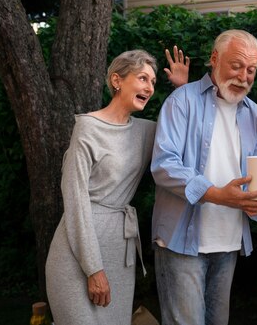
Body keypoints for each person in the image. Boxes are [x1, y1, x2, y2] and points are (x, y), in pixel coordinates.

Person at [45, 48, 189, 325]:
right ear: (117, 80)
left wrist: (182, 90)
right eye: (143, 78)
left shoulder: (146, 131)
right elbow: (75, 202)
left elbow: (183, 132)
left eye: (153, 82)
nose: (149, 87)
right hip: (78, 252)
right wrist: (93, 269)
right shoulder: (87, 128)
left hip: (120, 251)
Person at [150, 29, 257, 325]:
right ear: (215, 59)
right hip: (181, 241)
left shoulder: (255, 114)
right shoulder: (182, 101)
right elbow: (164, 165)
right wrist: (217, 195)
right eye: (236, 65)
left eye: (251, 70)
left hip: (228, 241)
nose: (244, 76)